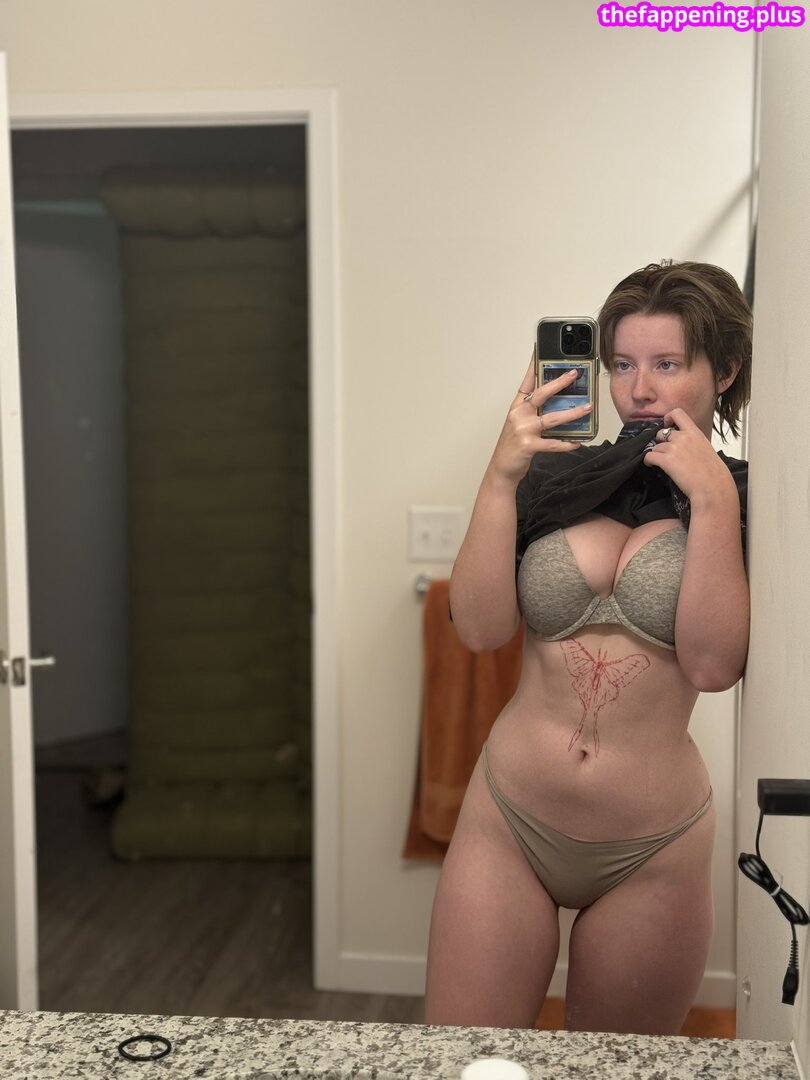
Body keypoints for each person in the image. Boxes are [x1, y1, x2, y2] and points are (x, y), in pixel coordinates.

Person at [424, 261, 751, 1035]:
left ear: (724, 371)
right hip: (509, 820)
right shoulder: (552, 478)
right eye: (623, 365)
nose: (640, 390)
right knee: (464, 1064)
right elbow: (479, 630)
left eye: (666, 364)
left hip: (653, 850)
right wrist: (501, 476)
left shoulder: (745, 497)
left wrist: (711, 496)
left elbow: (712, 666)